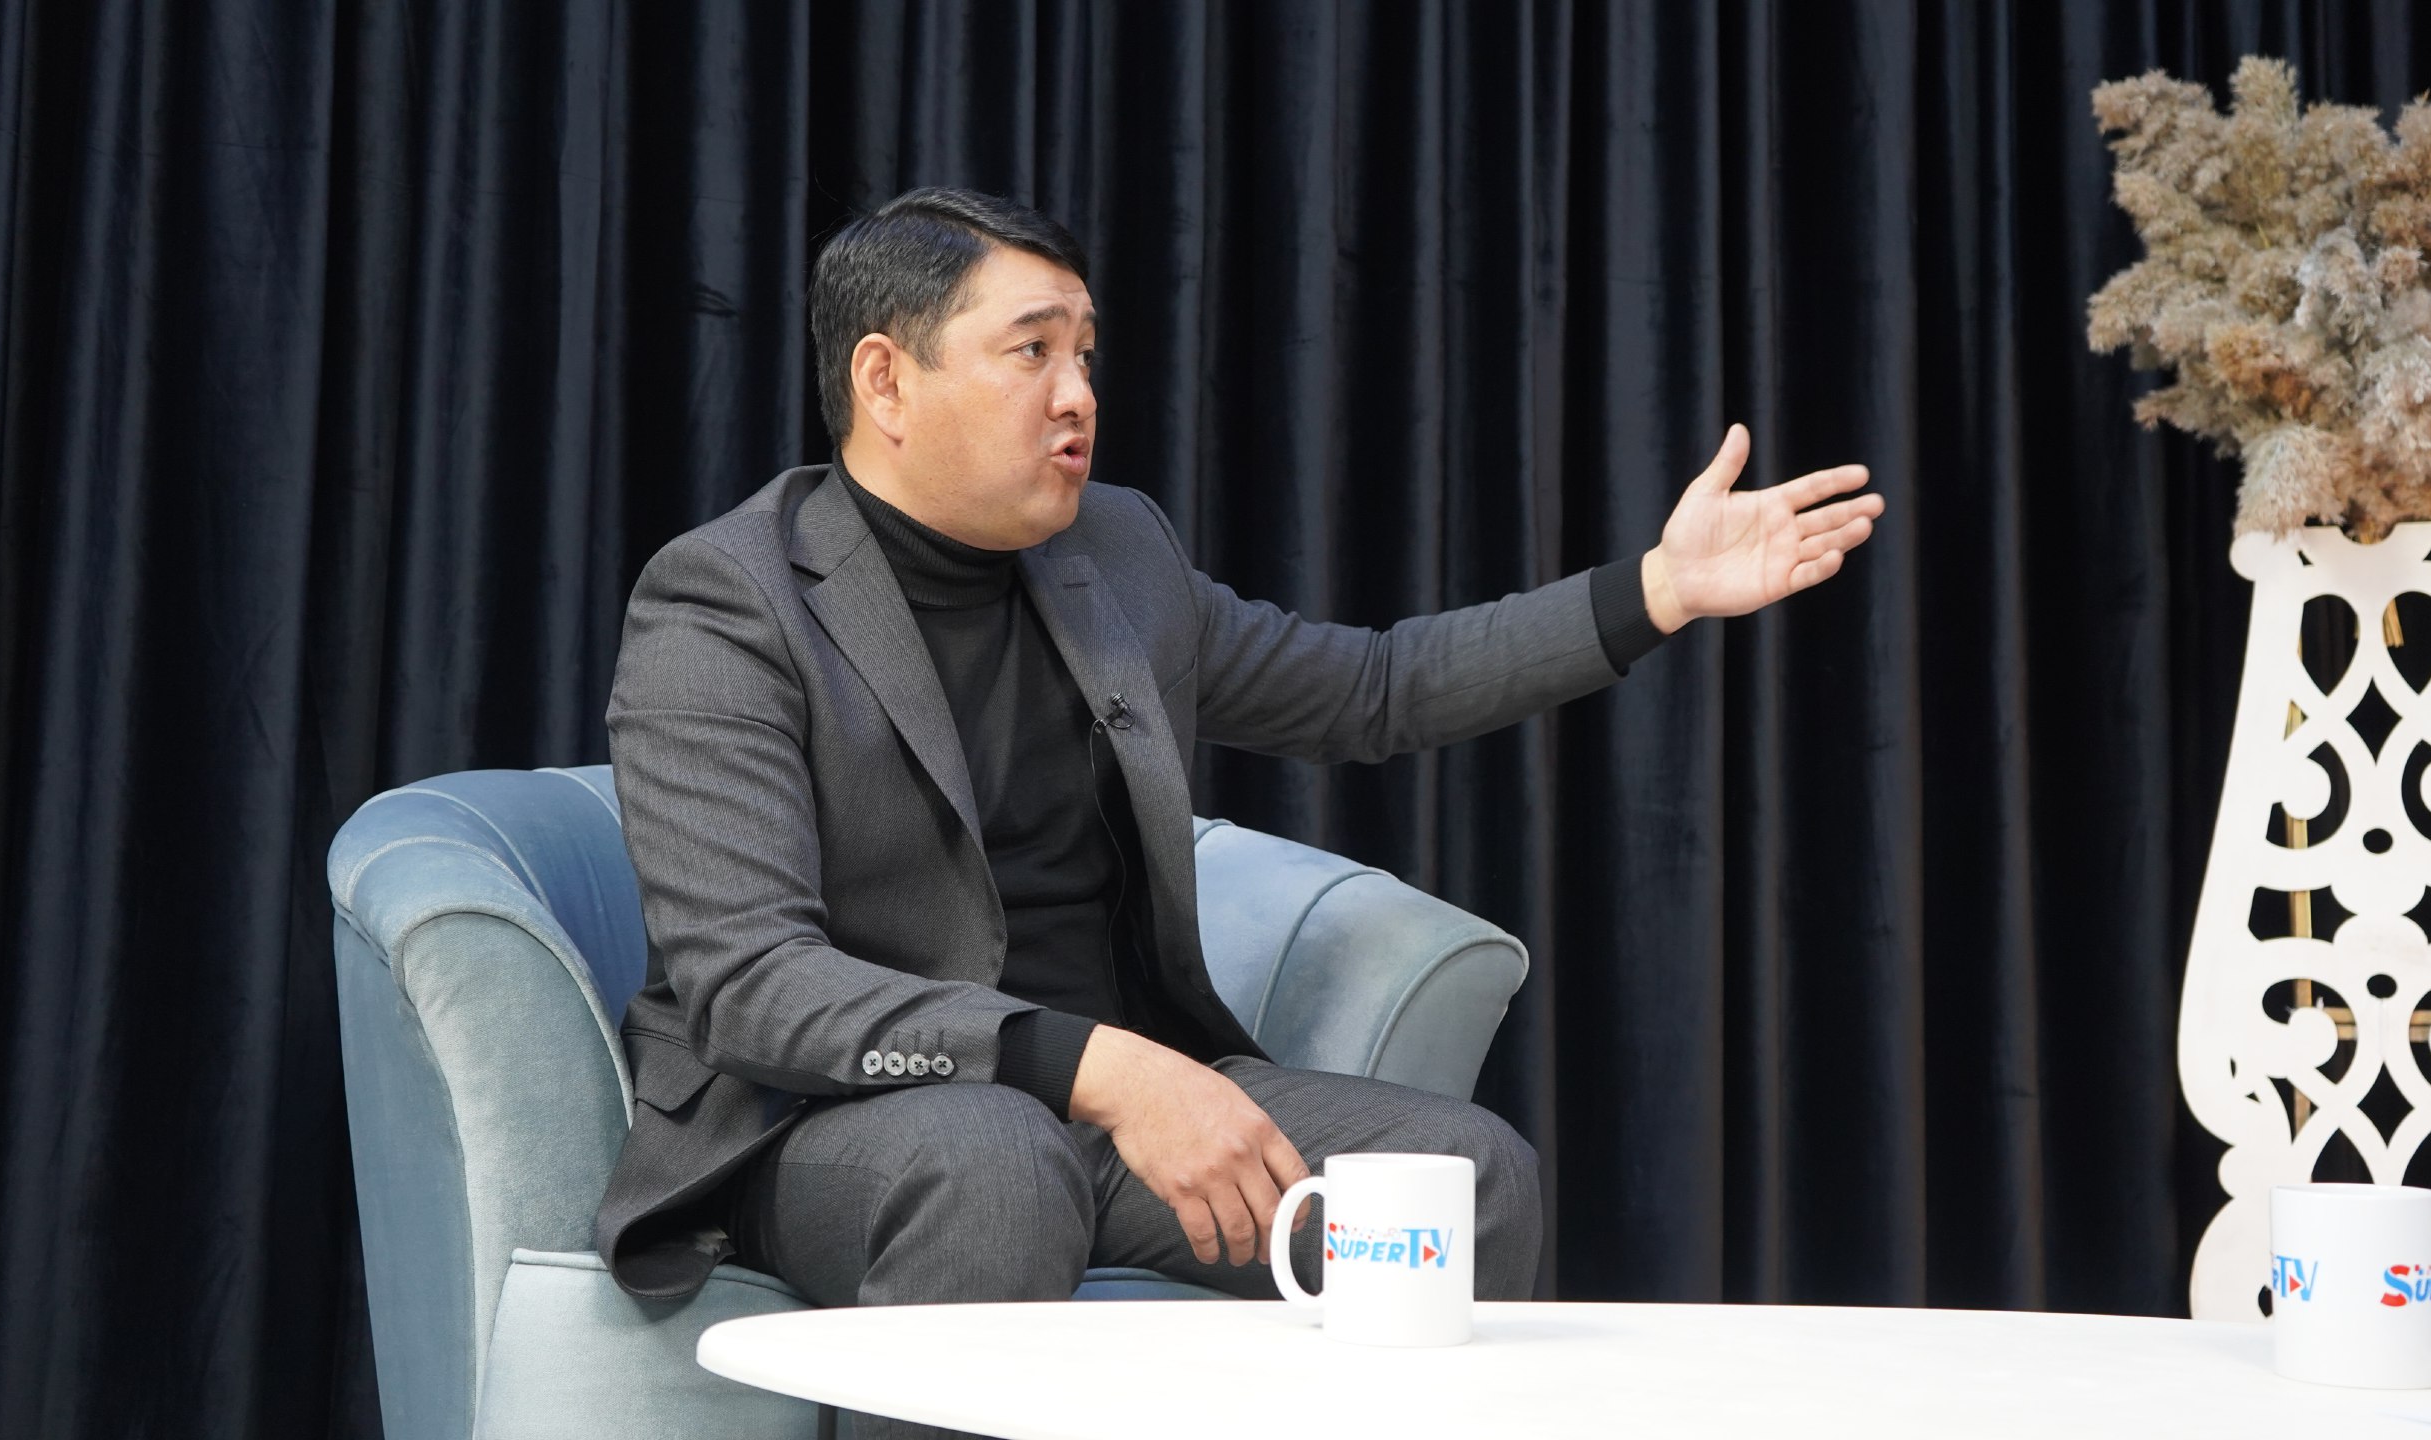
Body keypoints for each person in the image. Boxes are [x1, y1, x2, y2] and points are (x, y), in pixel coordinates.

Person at [592, 187, 1882, 1438]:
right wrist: (1107, 1070)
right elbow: (753, 985)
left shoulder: (1115, 553)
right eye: (1032, 351)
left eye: (1086, 353)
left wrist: (1652, 591)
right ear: (885, 379)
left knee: (1468, 1177)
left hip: (1109, 1120)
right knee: (993, 1161)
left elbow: (1375, 690)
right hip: (835, 1126)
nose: (1078, 394)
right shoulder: (729, 601)